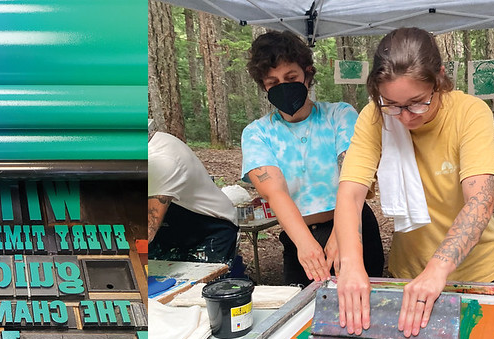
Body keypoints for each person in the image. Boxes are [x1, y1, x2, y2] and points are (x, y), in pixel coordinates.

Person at [335, 27, 494, 338]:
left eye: (417, 103)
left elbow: (480, 200)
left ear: (439, 79)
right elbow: (350, 194)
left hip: (477, 273)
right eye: (392, 103)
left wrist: (437, 270)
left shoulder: (470, 113)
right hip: (408, 270)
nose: (405, 117)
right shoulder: (375, 117)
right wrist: (350, 264)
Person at [242, 30, 384, 285]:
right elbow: (275, 193)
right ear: (264, 85)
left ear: (307, 73)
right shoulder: (257, 133)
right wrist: (304, 243)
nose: (283, 86)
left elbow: (354, 178)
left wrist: (343, 233)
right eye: (273, 82)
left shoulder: (340, 115)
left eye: (291, 77)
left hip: (354, 227)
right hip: (298, 236)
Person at [148, 123, 239, 265]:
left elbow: (147, 229)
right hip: (170, 228)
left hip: (209, 227)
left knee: (199, 284)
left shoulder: (162, 160)